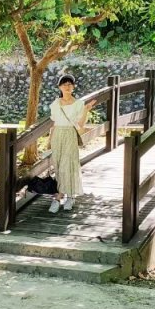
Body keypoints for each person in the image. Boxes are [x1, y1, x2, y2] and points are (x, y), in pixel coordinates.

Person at [48, 74, 92, 213]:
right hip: (57, 135)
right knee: (58, 165)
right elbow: (54, 123)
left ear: (73, 86)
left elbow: (80, 125)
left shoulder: (79, 104)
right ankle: (62, 195)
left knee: (68, 164)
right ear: (59, 87)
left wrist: (85, 110)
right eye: (64, 84)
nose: (67, 87)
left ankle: (67, 196)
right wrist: (49, 141)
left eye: (70, 84)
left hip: (69, 134)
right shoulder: (55, 103)